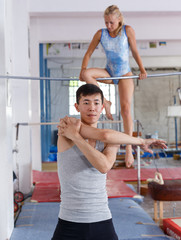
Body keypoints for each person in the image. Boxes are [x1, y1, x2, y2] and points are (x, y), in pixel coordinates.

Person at [51, 84, 167, 240]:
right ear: (77, 107)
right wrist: (140, 141)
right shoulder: (67, 128)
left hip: (101, 220)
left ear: (102, 107)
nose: (92, 107)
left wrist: (77, 138)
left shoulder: (111, 139)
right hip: (69, 221)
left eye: (96, 103)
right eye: (86, 102)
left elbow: (104, 166)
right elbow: (105, 134)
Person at [79, 5, 147, 168]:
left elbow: (135, 52)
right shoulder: (101, 33)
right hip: (109, 72)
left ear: (119, 21)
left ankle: (129, 149)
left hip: (124, 74)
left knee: (125, 109)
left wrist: (143, 70)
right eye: (106, 22)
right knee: (88, 74)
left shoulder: (127, 30)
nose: (108, 25)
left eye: (111, 23)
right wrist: (82, 70)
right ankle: (105, 102)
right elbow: (88, 53)